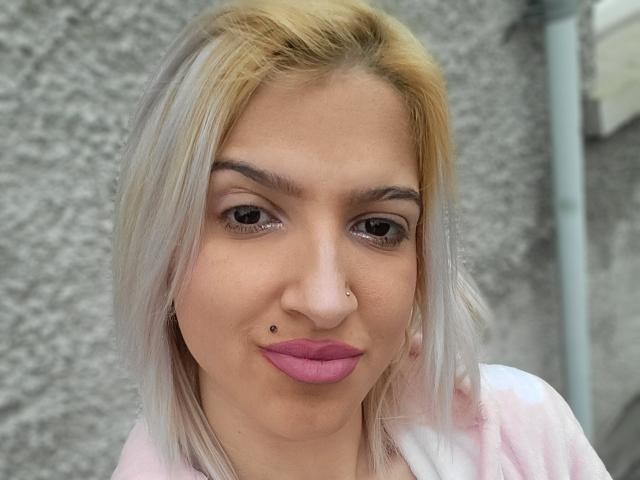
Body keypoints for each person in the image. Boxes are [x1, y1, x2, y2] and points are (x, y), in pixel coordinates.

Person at [110, 0, 612, 478]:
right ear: (161, 237)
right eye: (249, 215)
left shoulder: (526, 438)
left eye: (378, 227)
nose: (325, 303)